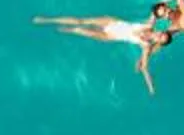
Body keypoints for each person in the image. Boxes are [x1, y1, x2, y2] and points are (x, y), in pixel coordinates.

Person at [33, 10, 176, 93]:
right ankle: (47, 20)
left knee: (80, 30)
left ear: (159, 42)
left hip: (109, 36)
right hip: (111, 22)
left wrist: (150, 85)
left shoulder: (146, 46)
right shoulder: (150, 25)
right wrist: (169, 12)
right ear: (160, 31)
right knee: (81, 21)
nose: (158, 36)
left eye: (160, 39)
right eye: (161, 34)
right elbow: (156, 10)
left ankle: (67, 30)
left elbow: (145, 67)